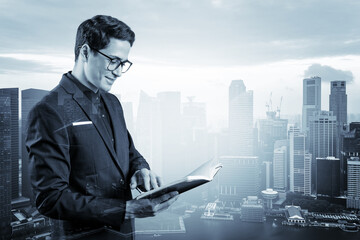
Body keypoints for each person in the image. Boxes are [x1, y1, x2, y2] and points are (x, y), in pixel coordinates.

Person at [26, 15, 178, 239]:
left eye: (123, 64)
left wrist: (140, 169)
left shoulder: (113, 102)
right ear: (85, 52)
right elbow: (51, 198)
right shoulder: (49, 110)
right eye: (113, 60)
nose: (118, 71)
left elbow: (128, 152)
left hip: (123, 234)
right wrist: (126, 210)